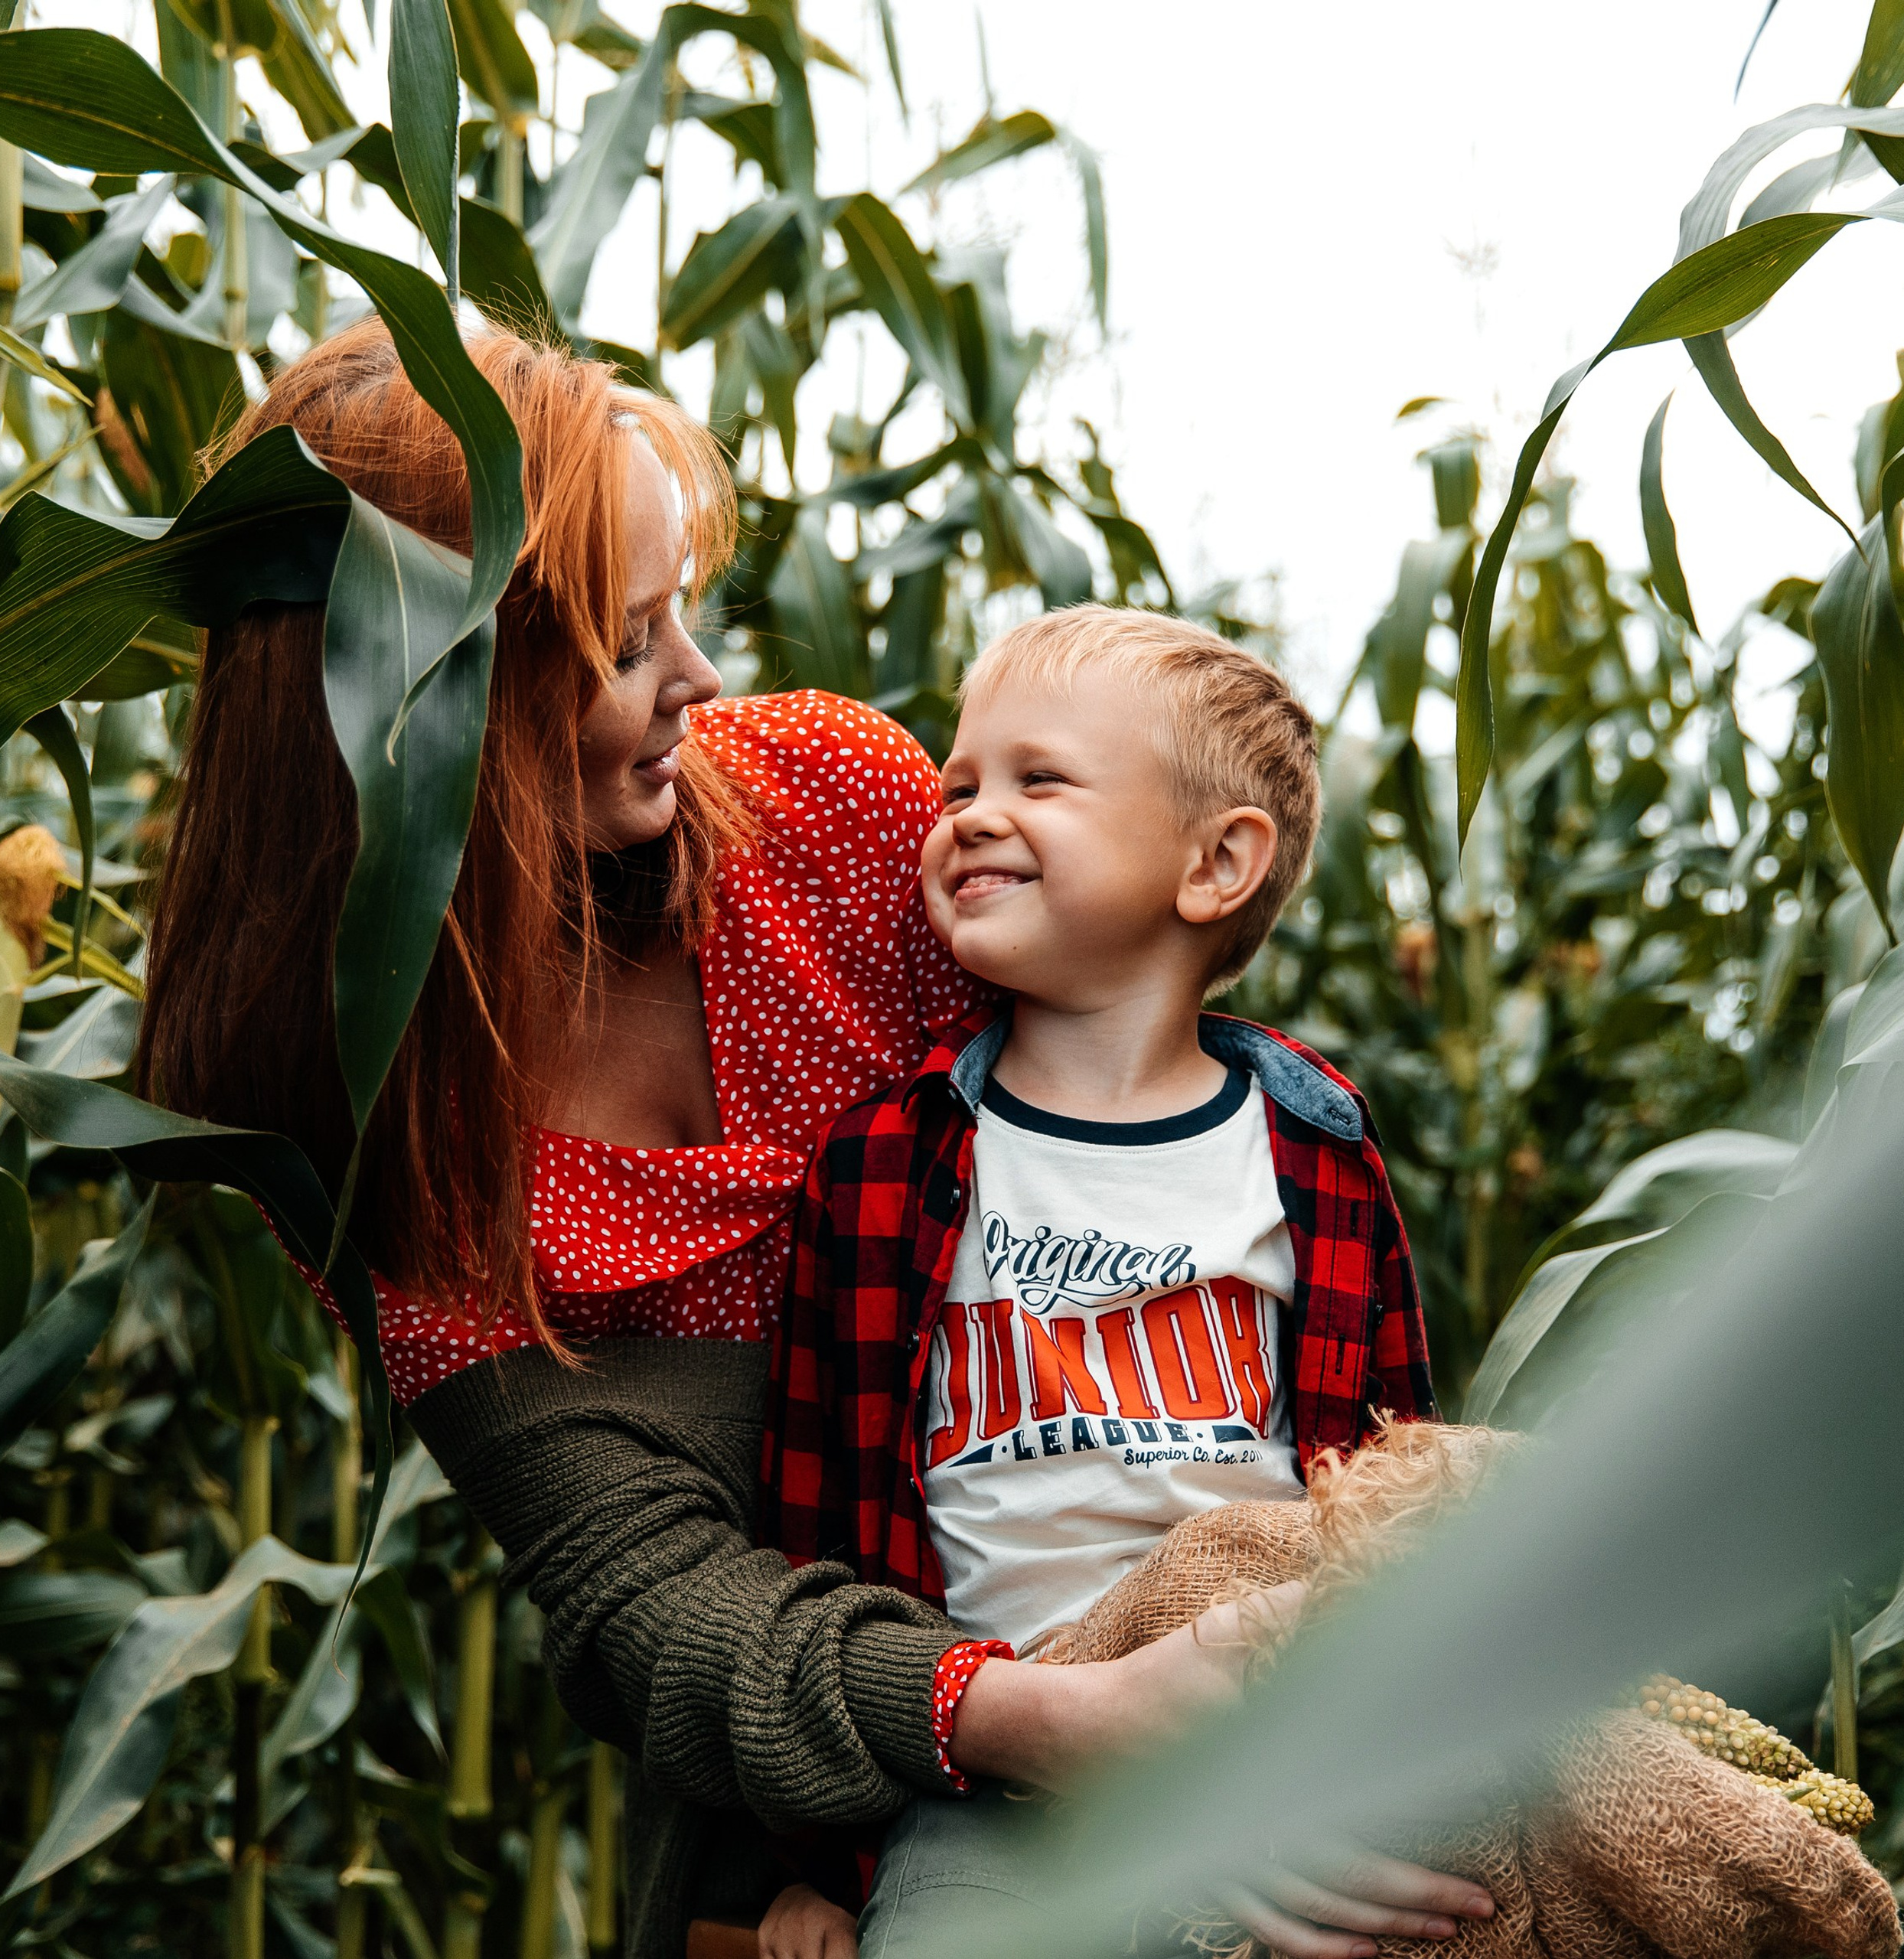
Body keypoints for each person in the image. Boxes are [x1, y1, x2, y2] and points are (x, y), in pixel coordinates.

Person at [132, 322, 1485, 1959]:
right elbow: (645, 1586)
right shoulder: (358, 1120)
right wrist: (990, 1767)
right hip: (834, 1812)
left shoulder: (832, 812)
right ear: (439, 698)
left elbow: (1121, 1134)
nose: (700, 681)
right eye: (634, 642)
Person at [761, 606, 1466, 1959]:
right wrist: (814, 1862)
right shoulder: (879, 1164)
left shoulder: (1313, 1152)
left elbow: (1391, 1488)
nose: (966, 811)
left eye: (1039, 779)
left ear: (1215, 863)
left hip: (1264, 1749)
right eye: (958, 781)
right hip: (989, 1775)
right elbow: (813, 1529)